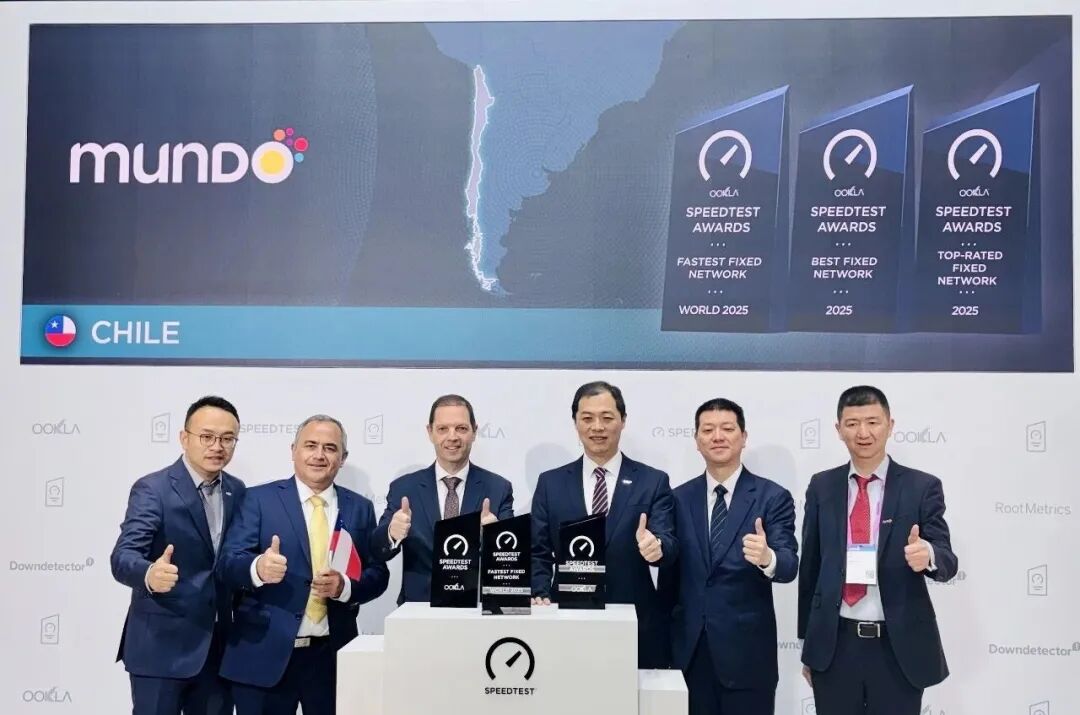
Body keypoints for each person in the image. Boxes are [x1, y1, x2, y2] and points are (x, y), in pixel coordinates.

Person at [798, 386, 958, 715]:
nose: (863, 432)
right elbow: (810, 567)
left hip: (898, 647)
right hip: (835, 646)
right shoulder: (822, 486)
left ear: (890, 425)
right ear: (839, 429)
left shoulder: (921, 486)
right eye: (852, 423)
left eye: (873, 422)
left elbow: (947, 558)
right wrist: (808, 645)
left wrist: (927, 554)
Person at [218, 414, 389, 715]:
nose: (319, 455)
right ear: (293, 450)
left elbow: (377, 573)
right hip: (263, 656)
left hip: (331, 659)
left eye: (330, 448)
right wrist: (258, 568)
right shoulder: (257, 499)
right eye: (310, 445)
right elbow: (228, 564)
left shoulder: (360, 507)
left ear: (343, 458)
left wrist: (345, 587)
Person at [660, 398, 797, 715]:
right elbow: (669, 582)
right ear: (696, 440)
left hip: (748, 658)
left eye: (727, 428)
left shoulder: (772, 496)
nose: (717, 437)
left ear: (743, 436)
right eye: (708, 430)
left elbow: (789, 564)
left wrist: (767, 558)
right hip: (689, 655)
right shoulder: (678, 498)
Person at [110, 396, 246, 715]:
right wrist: (149, 574)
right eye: (207, 436)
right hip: (160, 648)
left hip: (218, 651)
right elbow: (123, 555)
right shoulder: (153, 489)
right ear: (184, 438)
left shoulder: (238, 490)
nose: (217, 446)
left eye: (227, 439)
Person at [531, 380, 677, 668]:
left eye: (607, 417)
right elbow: (537, 550)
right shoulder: (550, 483)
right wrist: (540, 594)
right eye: (587, 418)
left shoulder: (652, 481)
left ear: (623, 420)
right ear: (575, 423)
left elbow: (668, 540)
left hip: (635, 620)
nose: (597, 427)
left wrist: (657, 547)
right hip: (566, 618)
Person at [372, 394, 514, 604]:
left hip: (476, 609)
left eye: (461, 428)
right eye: (443, 429)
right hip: (419, 608)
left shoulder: (498, 488)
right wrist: (391, 533)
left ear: (475, 431)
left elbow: (511, 562)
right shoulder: (404, 488)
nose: (452, 436)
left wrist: (495, 538)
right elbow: (376, 550)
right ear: (430, 432)